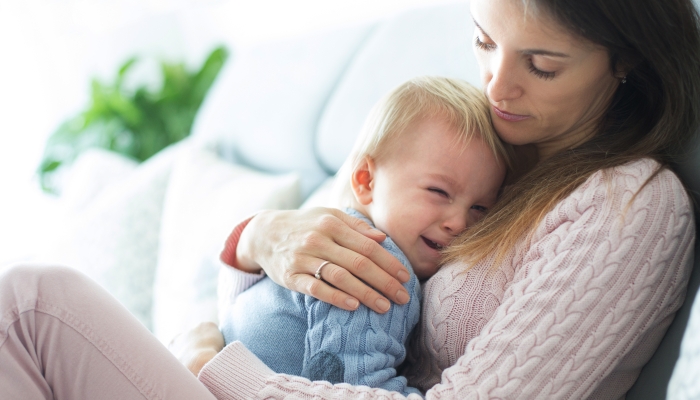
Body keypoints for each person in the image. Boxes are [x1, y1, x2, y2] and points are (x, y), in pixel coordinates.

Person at [1, 0, 699, 398]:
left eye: (541, 65)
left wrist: (227, 374)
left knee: (30, 306)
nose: (497, 86)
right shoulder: (468, 143)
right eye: (484, 44)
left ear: (627, 63)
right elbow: (269, 283)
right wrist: (253, 240)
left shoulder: (631, 207)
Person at [217, 76, 509, 395]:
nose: (459, 222)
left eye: (480, 208)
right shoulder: (376, 266)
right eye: (438, 191)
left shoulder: (327, 231)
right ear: (366, 180)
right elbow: (351, 388)